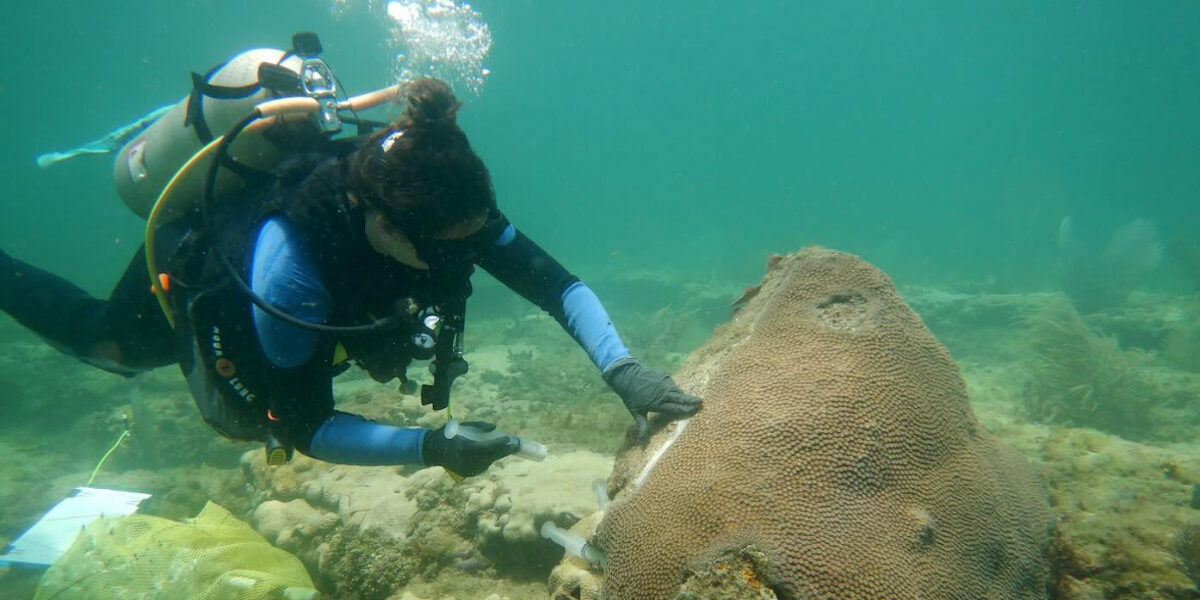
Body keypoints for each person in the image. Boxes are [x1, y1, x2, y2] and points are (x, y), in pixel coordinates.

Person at [0, 78, 701, 476]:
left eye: (477, 236)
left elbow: (559, 285)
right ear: (388, 230)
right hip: (200, 265)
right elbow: (307, 426)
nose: (470, 252)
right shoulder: (293, 274)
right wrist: (431, 447)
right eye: (450, 248)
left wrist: (623, 368)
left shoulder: (448, 205)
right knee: (108, 346)